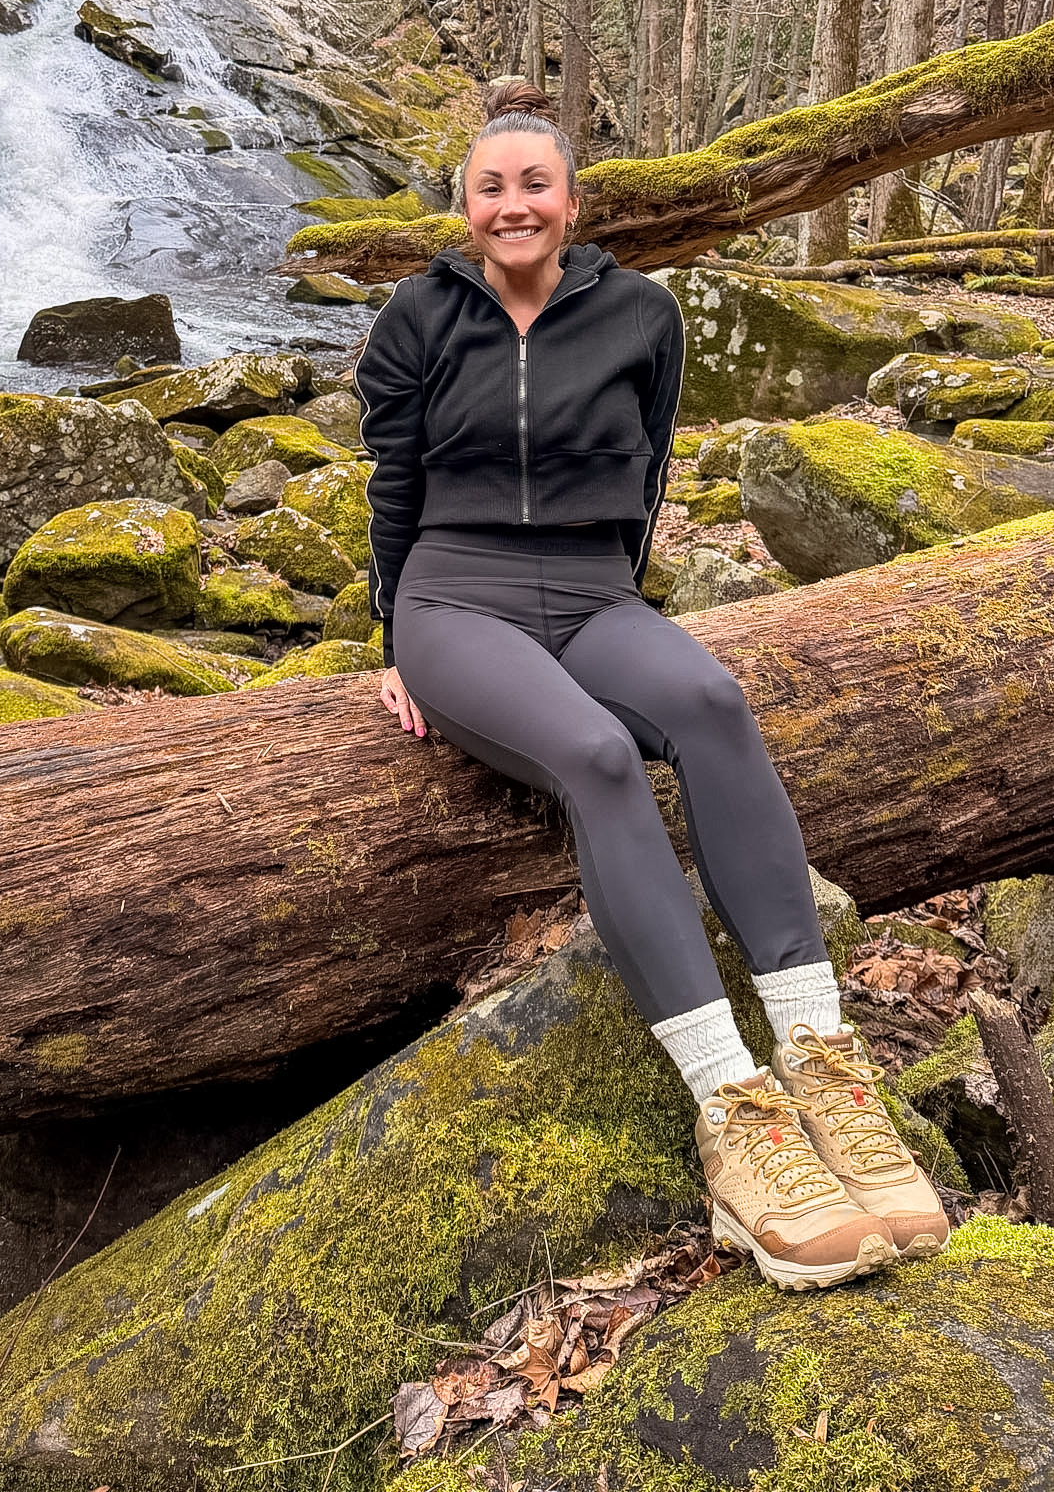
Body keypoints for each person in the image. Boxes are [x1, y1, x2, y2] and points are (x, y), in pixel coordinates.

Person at [354, 78, 949, 1293]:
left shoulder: (641, 314)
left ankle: (821, 1058)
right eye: (490, 185)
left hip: (591, 591)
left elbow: (649, 469)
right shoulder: (416, 317)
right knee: (599, 755)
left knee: (715, 706)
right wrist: (393, 635)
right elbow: (393, 486)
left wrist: (611, 609)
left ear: (571, 201)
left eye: (534, 182)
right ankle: (736, 1110)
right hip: (454, 594)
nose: (512, 203)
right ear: (462, 206)